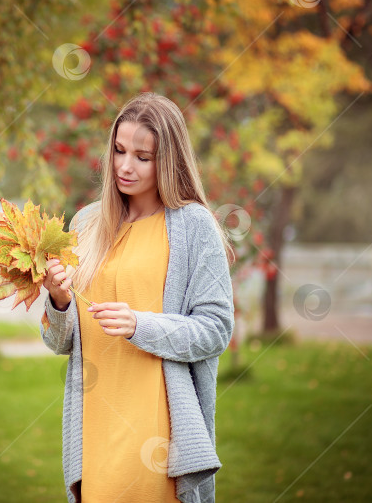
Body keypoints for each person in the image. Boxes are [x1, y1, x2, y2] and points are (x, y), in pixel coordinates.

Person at [40, 92, 235, 503]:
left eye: (142, 157)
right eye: (119, 150)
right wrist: (59, 301)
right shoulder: (88, 222)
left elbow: (216, 330)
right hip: (94, 422)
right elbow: (62, 341)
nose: (125, 166)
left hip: (155, 427)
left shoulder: (192, 225)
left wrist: (140, 324)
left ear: (168, 160)